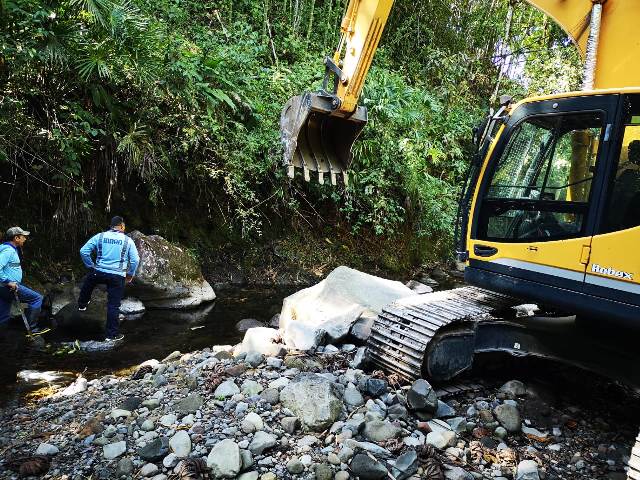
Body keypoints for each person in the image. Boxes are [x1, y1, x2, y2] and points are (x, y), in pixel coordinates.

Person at [78, 216, 140, 342]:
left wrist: (91, 266)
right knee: (113, 305)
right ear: (122, 226)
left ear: (111, 226)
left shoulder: (100, 236)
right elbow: (135, 260)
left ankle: (82, 304)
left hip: (99, 271)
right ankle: (111, 336)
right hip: (117, 277)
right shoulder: (127, 241)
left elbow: (83, 251)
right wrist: (130, 274)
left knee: (89, 281)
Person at [0, 227, 46, 334]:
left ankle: (3, 340)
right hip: (8, 287)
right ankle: (33, 330)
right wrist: (8, 281)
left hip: (3, 288)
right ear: (16, 238)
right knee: (36, 299)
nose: (25, 239)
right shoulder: (9, 251)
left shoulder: (8, 249)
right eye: (23, 237)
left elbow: (9, 267)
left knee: (3, 316)